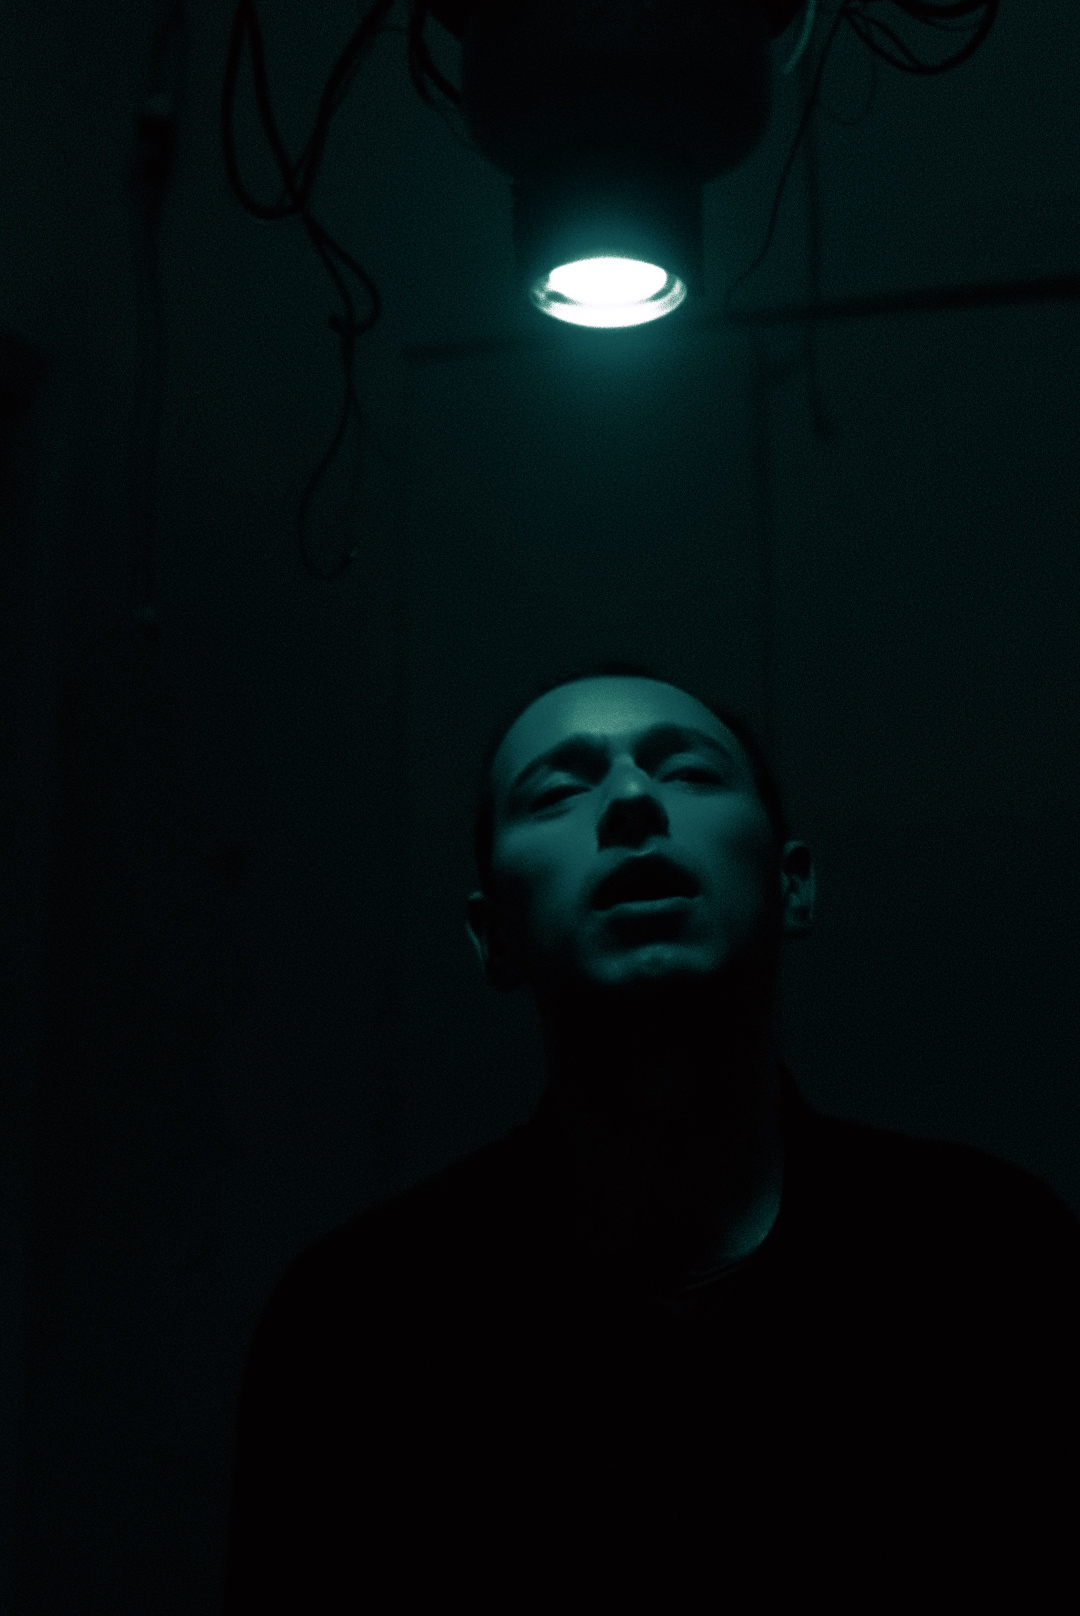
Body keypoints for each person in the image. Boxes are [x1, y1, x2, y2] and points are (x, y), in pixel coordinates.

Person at [221, 666, 1080, 1610]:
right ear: (494, 934)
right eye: (559, 791)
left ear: (793, 885)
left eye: (691, 773)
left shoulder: (1000, 1257)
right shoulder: (356, 1327)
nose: (632, 800)